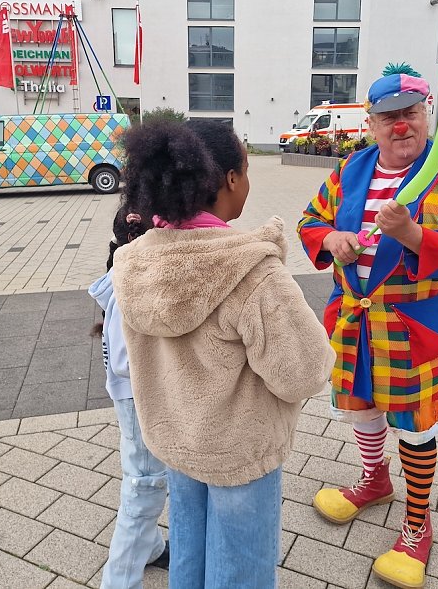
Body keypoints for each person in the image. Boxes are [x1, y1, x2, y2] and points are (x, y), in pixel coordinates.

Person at [111, 119, 335, 588]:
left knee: (190, 555)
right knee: (239, 570)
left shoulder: (133, 261)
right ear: (230, 179)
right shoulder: (252, 273)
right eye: (247, 169)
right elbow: (304, 372)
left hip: (176, 441)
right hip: (238, 450)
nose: (249, 181)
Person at [297, 66, 438, 589]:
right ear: (372, 123)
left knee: (415, 422)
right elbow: (309, 220)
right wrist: (332, 238)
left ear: (426, 115)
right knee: (362, 407)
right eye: (388, 118)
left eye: (410, 114)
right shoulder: (350, 169)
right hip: (354, 320)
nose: (401, 127)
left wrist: (414, 235)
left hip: (411, 324)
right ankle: (374, 481)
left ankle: (417, 524)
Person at [89, 206, 169, 589]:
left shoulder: (126, 276)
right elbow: (124, 362)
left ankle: (149, 545)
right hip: (139, 399)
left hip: (137, 399)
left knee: (142, 473)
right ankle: (119, 580)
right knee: (145, 483)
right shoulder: (130, 290)